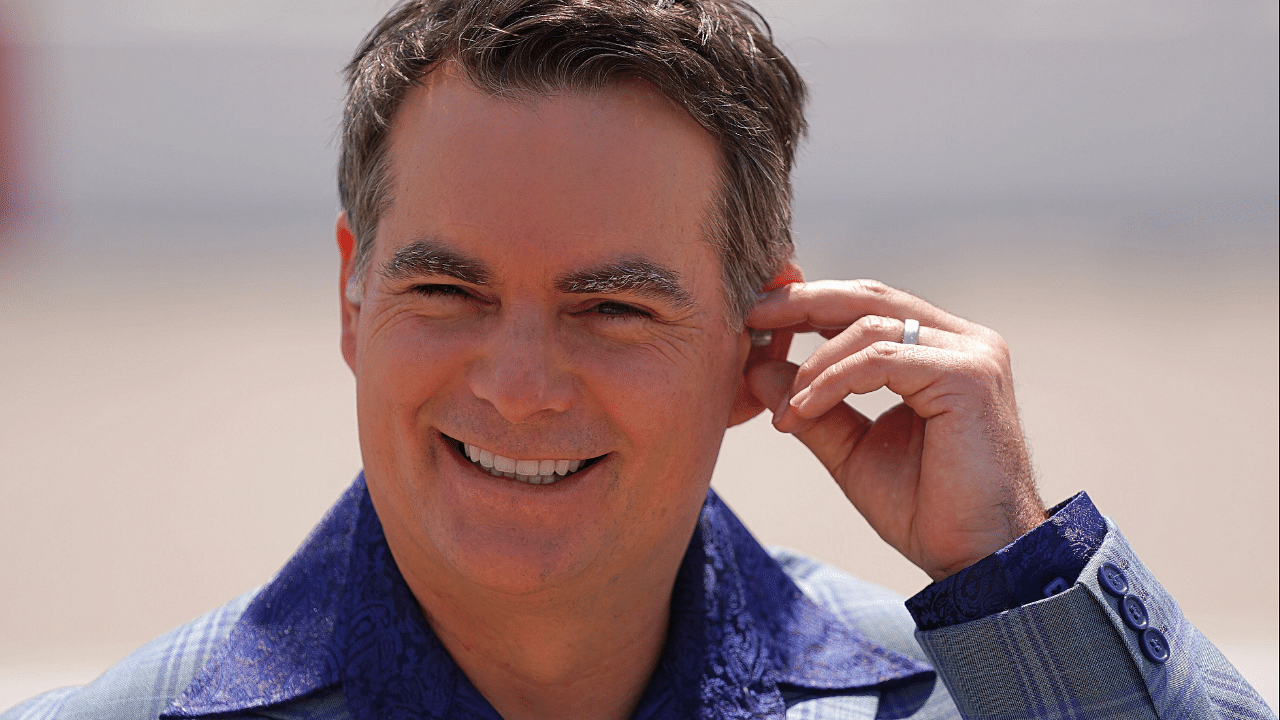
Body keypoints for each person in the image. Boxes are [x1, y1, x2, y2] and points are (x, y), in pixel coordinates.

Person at [3, 1, 1273, 719]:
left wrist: (1008, 562)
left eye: (610, 309)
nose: (516, 383)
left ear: (751, 344)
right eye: (445, 288)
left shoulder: (993, 698)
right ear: (350, 296)